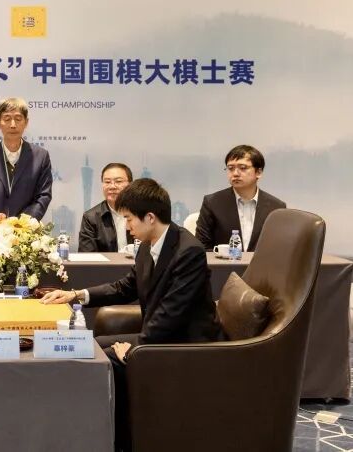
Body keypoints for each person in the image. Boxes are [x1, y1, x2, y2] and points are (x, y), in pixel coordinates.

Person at [41, 178, 221, 451]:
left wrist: (136, 349)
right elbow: (125, 287)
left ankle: (123, 441)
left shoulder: (189, 252)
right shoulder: (149, 244)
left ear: (150, 217)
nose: (126, 226)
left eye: (128, 219)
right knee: (86, 347)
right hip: (159, 336)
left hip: (184, 345)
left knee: (101, 358)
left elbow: (171, 314)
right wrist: (75, 294)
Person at [0, 97, 52, 220]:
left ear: (26, 122)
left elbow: (43, 196)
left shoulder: (41, 157)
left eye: (18, 119)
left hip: (26, 229)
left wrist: (22, 223)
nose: (13, 125)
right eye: (7, 119)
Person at [195, 145, 286, 251]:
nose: (235, 173)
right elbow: (201, 246)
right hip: (223, 262)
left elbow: (280, 247)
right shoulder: (212, 203)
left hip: (263, 262)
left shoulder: (276, 207)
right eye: (230, 168)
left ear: (258, 172)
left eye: (242, 168)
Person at [78, 162, 135, 252]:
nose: (112, 186)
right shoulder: (91, 218)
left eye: (118, 181)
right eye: (107, 182)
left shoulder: (141, 212)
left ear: (130, 184)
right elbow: (87, 255)